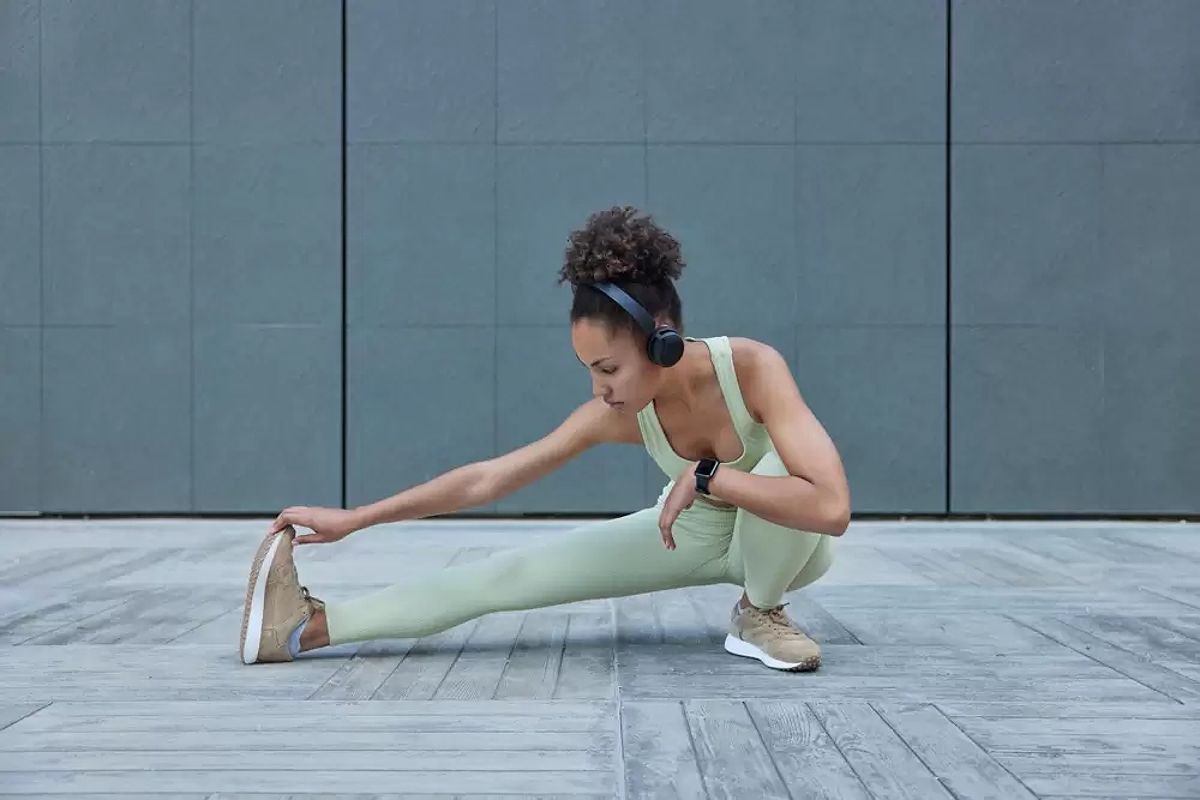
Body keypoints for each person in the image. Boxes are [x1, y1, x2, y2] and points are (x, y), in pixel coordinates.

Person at [239, 206, 851, 671]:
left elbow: (829, 508)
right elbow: (491, 478)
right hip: (691, 533)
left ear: (661, 341)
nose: (599, 389)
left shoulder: (752, 368)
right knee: (508, 575)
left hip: (786, 544)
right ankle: (308, 629)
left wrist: (705, 474)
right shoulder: (616, 412)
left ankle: (759, 612)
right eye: (588, 369)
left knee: (780, 473)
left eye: (608, 368)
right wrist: (357, 518)